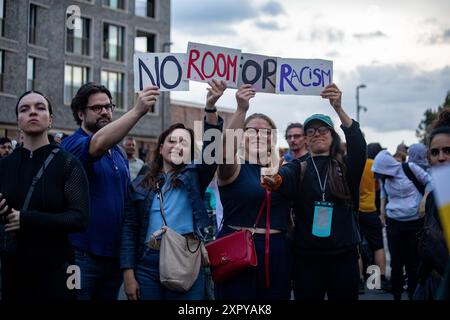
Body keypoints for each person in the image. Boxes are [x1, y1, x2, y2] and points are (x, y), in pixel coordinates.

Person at [121, 80, 225, 300]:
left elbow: (212, 152)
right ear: (161, 147)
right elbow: (129, 229)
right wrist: (128, 274)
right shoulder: (140, 183)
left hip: (186, 258)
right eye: (171, 140)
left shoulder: (196, 176)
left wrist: (210, 108)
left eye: (184, 142)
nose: (177, 145)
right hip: (147, 263)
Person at [263, 83, 367, 300]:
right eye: (310, 131)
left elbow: (358, 144)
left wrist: (338, 108)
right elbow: (281, 179)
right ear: (306, 139)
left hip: (344, 256)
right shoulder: (297, 167)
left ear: (332, 136)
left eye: (322, 129)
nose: (316, 134)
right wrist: (274, 178)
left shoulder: (345, 167)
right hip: (307, 259)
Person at [61, 82, 159, 300]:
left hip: (113, 259)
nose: (105, 111)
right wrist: (137, 111)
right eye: (97, 108)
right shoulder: (72, 144)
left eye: (108, 106)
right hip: (80, 257)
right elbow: (97, 144)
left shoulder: (119, 153)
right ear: (80, 113)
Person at [0, 91, 89, 300]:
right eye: (25, 109)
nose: (32, 112)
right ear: (18, 121)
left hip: (58, 269)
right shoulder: (4, 166)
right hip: (13, 268)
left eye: (40, 108)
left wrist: (26, 219)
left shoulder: (68, 163)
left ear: (50, 119)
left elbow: (80, 218)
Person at [214, 84, 291, 300]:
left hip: (277, 252)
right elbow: (227, 150)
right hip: (238, 251)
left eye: (265, 131)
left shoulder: (284, 169)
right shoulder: (233, 167)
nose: (259, 135)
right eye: (252, 130)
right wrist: (241, 109)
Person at [372, 149, 432, 300]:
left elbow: (429, 182)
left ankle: (413, 295)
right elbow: (383, 195)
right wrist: (382, 211)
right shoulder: (384, 177)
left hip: (414, 223)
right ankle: (397, 296)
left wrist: (424, 200)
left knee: (413, 263)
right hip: (394, 223)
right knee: (396, 264)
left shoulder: (409, 168)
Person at [415, 108, 450, 299]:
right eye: (435, 152)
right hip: (431, 285)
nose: (441, 157)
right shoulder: (433, 198)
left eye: (448, 150)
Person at [358, 144, 388, 291]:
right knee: (378, 246)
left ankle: (359, 280)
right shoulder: (374, 165)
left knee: (356, 246)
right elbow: (378, 187)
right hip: (371, 209)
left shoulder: (357, 163)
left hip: (356, 210)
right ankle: (377, 281)